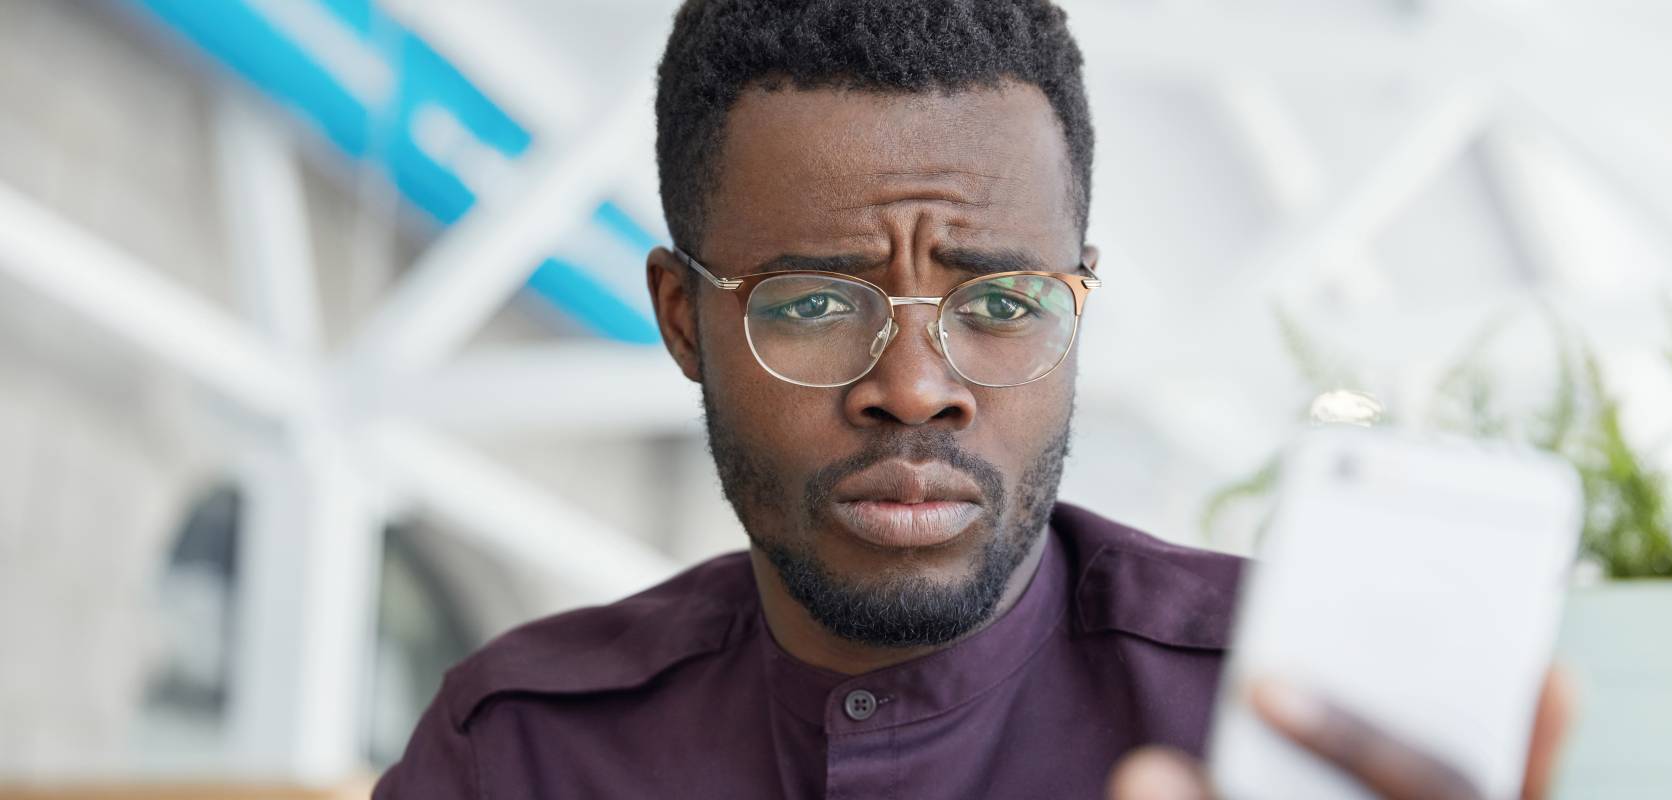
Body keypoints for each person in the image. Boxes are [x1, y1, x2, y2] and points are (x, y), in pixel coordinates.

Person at [375, 1, 1571, 797]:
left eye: (1001, 300)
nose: (914, 390)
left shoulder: (1293, 715)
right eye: (813, 301)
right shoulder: (520, 752)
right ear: (685, 319)